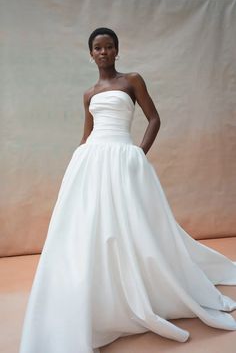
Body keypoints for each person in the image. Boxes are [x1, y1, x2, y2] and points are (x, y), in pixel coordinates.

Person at [19, 27, 236, 353]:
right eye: (97, 48)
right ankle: (103, 293)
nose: (103, 52)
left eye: (109, 47)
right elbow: (87, 133)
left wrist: (138, 153)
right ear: (90, 54)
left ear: (117, 51)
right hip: (91, 160)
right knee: (91, 227)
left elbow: (154, 119)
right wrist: (76, 164)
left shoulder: (131, 80)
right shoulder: (89, 94)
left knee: (134, 224)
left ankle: (142, 286)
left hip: (123, 158)